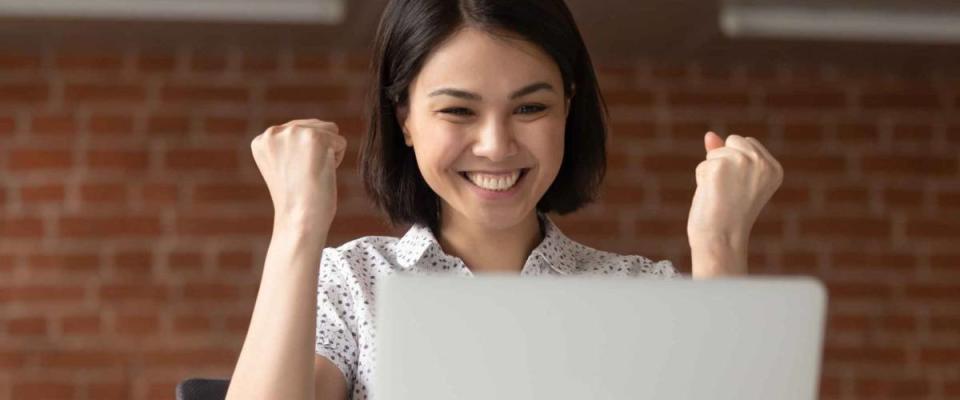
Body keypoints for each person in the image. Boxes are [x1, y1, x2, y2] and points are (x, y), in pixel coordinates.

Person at [225, 0, 783, 399]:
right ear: (406, 120)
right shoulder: (353, 283)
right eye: (458, 110)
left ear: (568, 108)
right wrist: (298, 221)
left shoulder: (646, 295)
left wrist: (720, 245)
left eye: (530, 108)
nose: (496, 145)